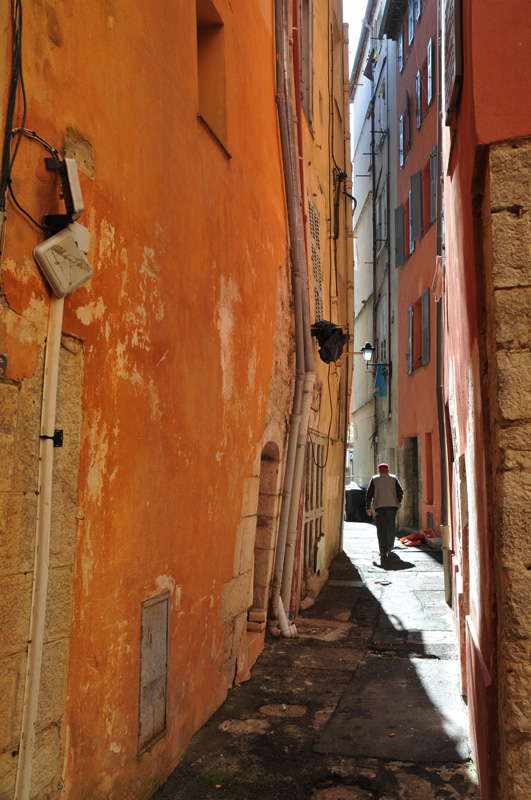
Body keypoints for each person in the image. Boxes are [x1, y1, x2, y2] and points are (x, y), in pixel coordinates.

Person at [365, 463, 403, 559]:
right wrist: (398, 501)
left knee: (381, 529)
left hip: (379, 507)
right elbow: (400, 492)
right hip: (392, 506)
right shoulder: (394, 478)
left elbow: (369, 494)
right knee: (390, 526)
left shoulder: (374, 479)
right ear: (388, 470)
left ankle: (382, 551)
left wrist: (368, 507)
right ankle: (390, 546)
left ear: (379, 471)